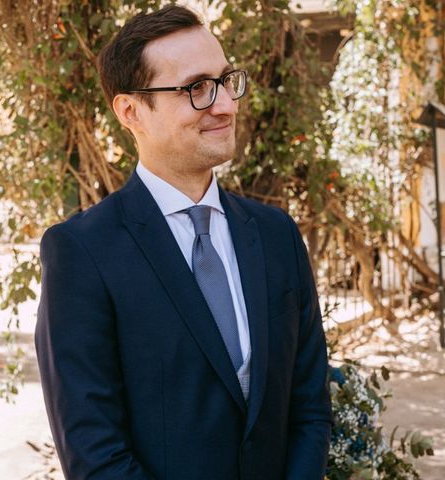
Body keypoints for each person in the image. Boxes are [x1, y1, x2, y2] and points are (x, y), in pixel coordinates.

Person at [35, 5, 332, 480]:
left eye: (225, 80)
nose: (225, 105)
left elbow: (309, 406)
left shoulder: (277, 235)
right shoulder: (82, 253)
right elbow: (95, 453)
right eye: (196, 88)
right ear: (131, 112)